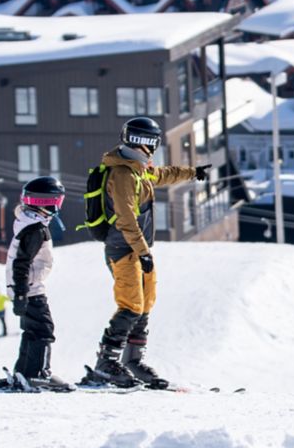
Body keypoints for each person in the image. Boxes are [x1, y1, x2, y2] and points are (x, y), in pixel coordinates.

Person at [87, 117, 209, 389]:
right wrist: (142, 251)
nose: (154, 148)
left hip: (139, 249)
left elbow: (163, 174)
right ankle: (105, 363)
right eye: (153, 142)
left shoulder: (138, 169)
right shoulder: (123, 174)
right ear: (147, 143)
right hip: (123, 248)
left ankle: (133, 361)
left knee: (145, 304)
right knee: (131, 305)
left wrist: (192, 172)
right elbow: (126, 218)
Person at [0, 177, 72, 392]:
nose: (58, 206)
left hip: (26, 287)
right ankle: (39, 374)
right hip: (29, 289)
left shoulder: (29, 223)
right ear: (45, 202)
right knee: (44, 329)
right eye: (57, 201)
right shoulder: (35, 230)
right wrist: (21, 293)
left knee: (32, 330)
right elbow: (21, 263)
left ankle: (24, 372)